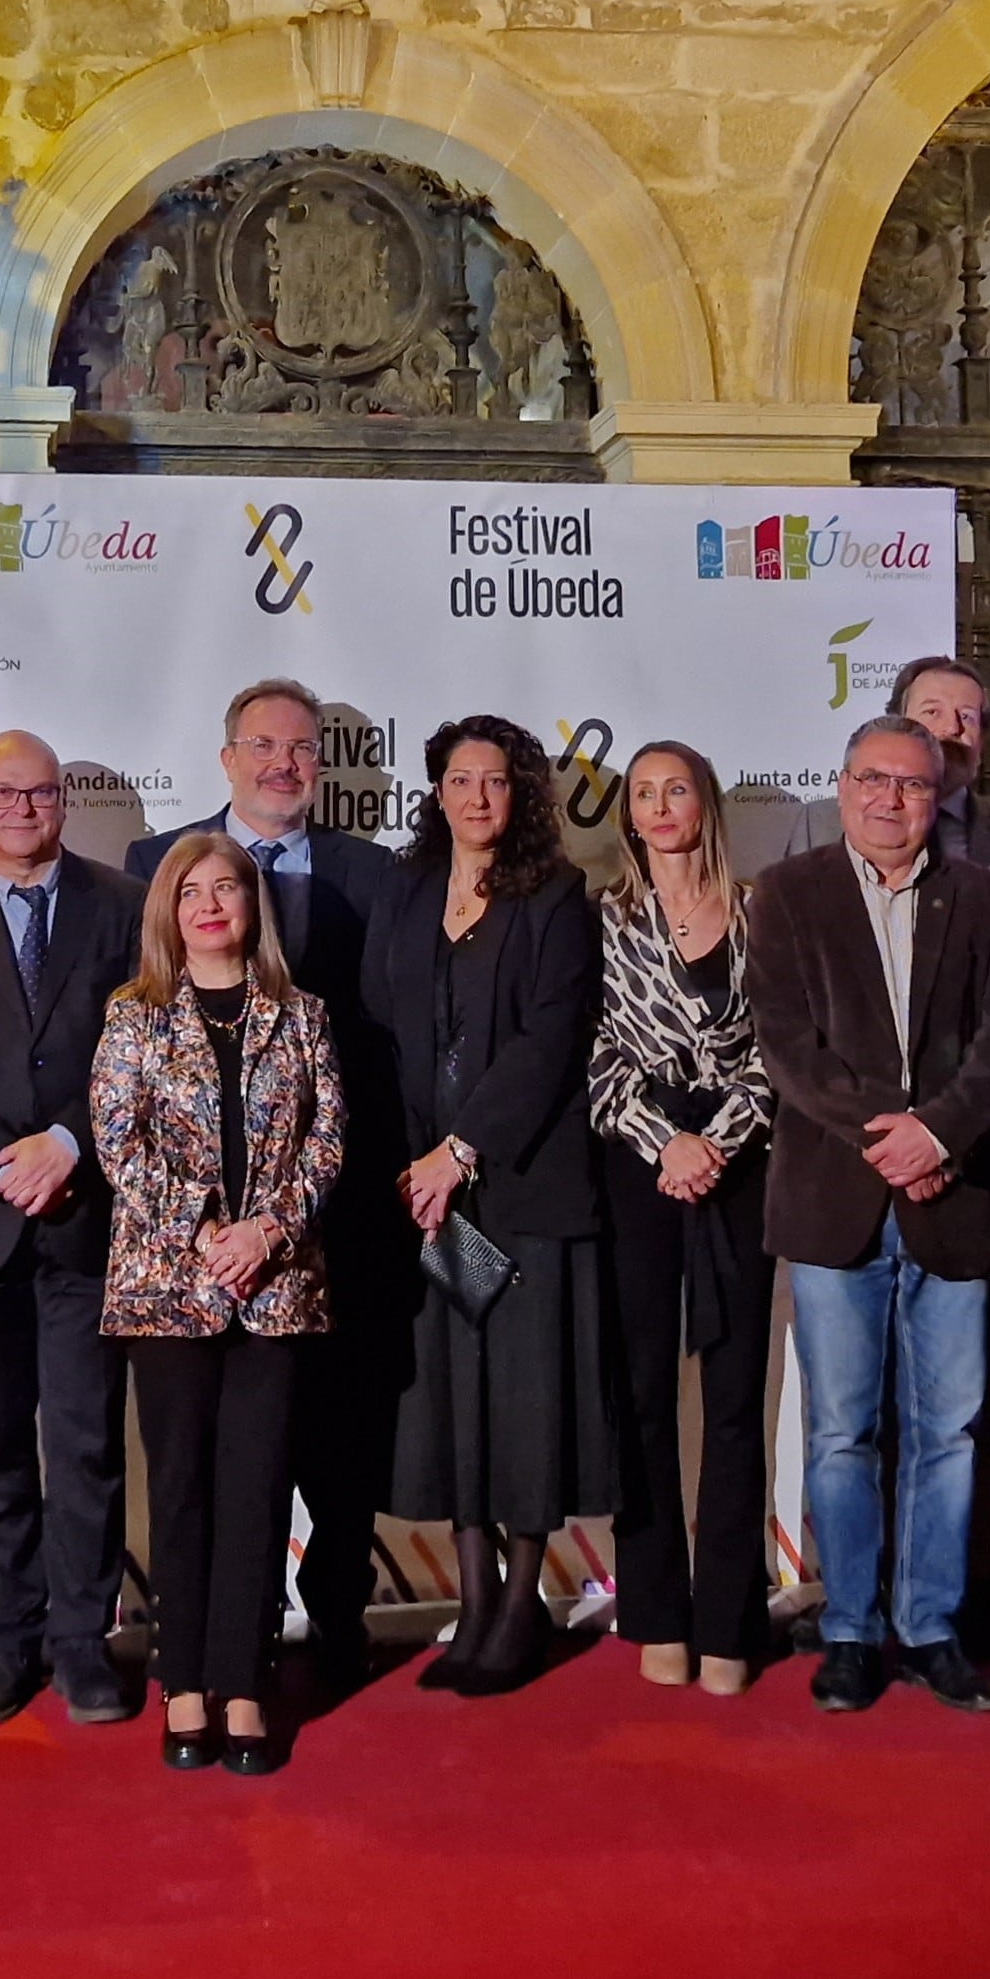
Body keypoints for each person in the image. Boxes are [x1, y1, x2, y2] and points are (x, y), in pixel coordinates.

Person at [749, 715, 990, 1714]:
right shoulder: (788, 895)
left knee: (950, 1429)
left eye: (911, 785)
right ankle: (849, 1630)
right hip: (835, 1198)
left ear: (938, 797)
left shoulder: (989, 901)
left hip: (956, 1202)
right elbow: (787, 1043)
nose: (891, 800)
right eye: (873, 780)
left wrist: (939, 1137)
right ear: (841, 786)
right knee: (840, 1433)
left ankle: (930, 1628)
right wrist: (892, 1138)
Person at [131, 679, 408, 1687]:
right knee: (204, 1469)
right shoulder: (158, 867)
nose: (282, 762)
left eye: (300, 747)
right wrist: (204, 1223)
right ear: (226, 758)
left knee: (337, 1443)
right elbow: (129, 1064)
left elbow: (389, 1041)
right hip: (191, 1247)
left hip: (336, 1212)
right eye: (261, 744)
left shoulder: (376, 873)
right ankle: (207, 1660)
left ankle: (333, 1628)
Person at [368, 712, 609, 1696]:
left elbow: (552, 1040)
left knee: (523, 1400)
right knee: (452, 1398)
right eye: (461, 779)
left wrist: (461, 1151)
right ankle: (470, 1597)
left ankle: (521, 1606)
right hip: (430, 1200)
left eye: (497, 781)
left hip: (521, 1190)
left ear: (522, 797)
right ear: (437, 792)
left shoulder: (555, 896)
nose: (478, 797)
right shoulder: (405, 889)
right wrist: (414, 1162)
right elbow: (379, 1028)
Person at [94, 833, 345, 1774]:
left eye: (226, 888)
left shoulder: (303, 1015)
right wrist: (206, 1234)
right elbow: (119, 1143)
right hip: (168, 1290)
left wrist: (267, 1234)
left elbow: (327, 1142)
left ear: (251, 903)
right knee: (183, 1487)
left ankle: (245, 1680)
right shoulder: (134, 1016)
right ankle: (184, 1682)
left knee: (257, 1488)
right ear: (169, 909)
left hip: (275, 1288)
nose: (209, 904)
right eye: (190, 890)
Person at [0, 730, 142, 1728]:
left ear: (61, 802)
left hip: (91, 1222)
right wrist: (5, 1163)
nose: (21, 808)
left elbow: (144, 1051)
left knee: (86, 1443)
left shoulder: (128, 910)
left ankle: (85, 1643)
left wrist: (70, 1143)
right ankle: (5, 1643)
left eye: (39, 792)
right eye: (1, 791)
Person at [588, 739, 780, 1694]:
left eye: (677, 791)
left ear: (705, 803)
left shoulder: (759, 914)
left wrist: (721, 1141)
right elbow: (591, 1051)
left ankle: (730, 1619)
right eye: (643, 794)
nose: (660, 807)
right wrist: (666, 1143)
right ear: (626, 814)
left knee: (737, 1398)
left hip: (741, 1167)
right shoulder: (601, 919)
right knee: (642, 1399)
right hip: (639, 1164)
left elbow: (781, 1050)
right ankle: (655, 1606)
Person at [792, 655, 990, 877]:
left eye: (967, 717)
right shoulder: (819, 825)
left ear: (983, 739)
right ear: (898, 724)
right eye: (932, 712)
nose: (950, 728)